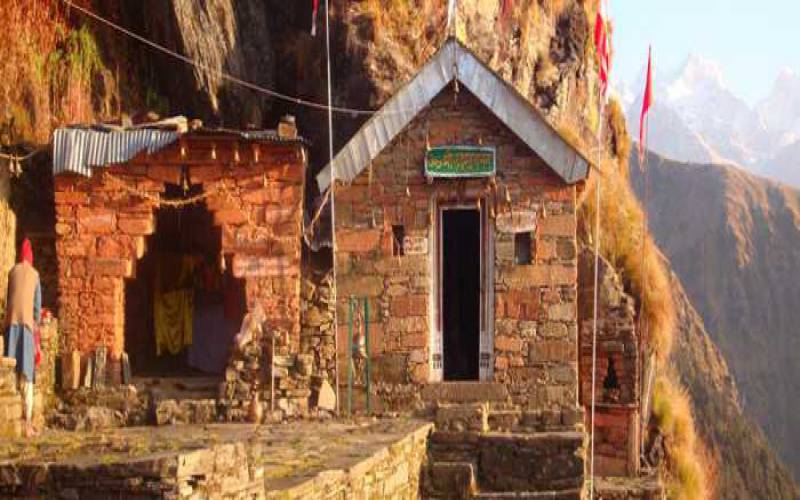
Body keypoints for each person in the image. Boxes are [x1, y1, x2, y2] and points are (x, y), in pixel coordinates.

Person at [4, 238, 41, 437]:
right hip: (26, 327)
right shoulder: (34, 275)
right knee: (27, 375)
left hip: (10, 326)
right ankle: (27, 423)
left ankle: (14, 419)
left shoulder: (12, 272)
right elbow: (36, 307)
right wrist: (36, 327)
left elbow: (9, 298)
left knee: (11, 372)